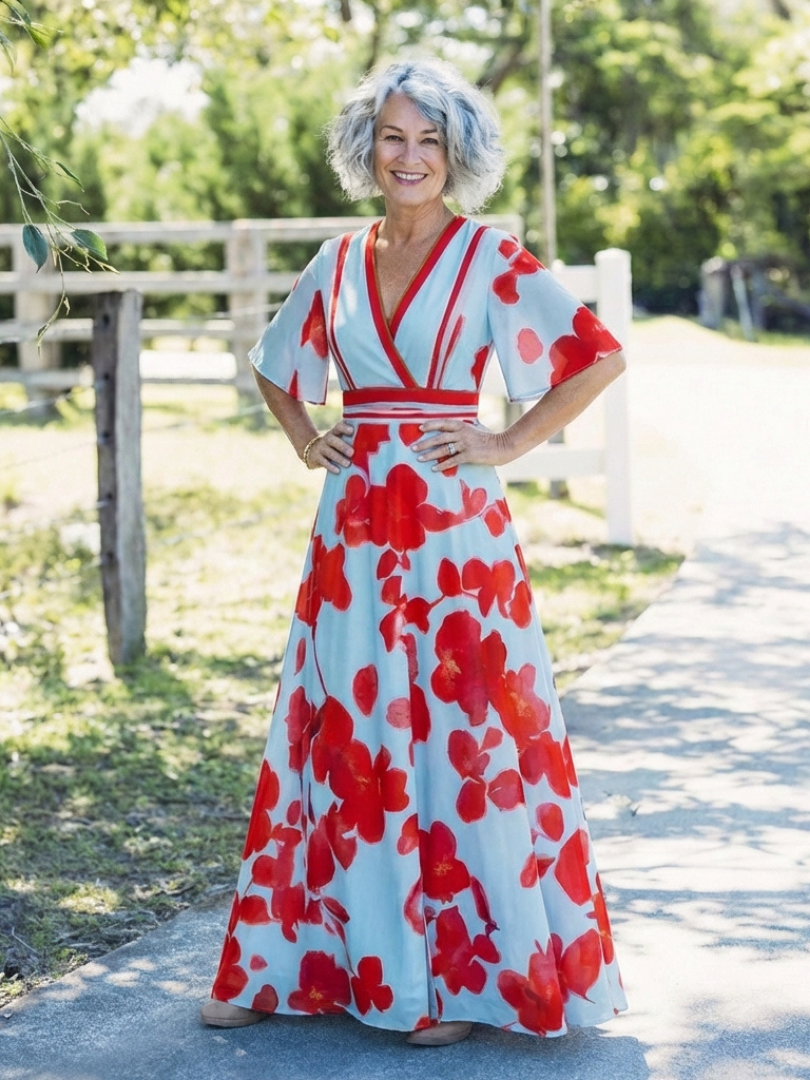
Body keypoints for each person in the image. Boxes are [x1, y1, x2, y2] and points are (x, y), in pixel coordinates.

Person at [201, 57, 628, 1047]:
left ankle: (457, 981)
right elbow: (274, 363)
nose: (410, 156)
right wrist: (306, 437)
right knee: (341, 728)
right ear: (367, 148)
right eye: (393, 136)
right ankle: (288, 964)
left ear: (456, 155)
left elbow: (597, 356)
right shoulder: (336, 262)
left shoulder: (489, 256)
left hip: (455, 533)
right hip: (352, 530)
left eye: (430, 140)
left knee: (458, 733)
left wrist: (507, 442)